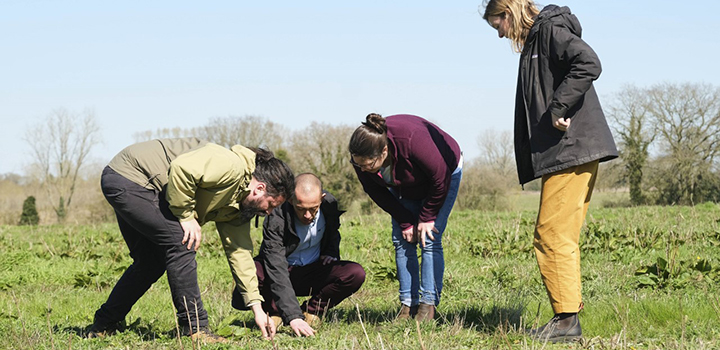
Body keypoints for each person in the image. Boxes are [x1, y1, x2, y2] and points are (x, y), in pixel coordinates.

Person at [482, 0, 618, 342]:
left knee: (551, 234)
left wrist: (560, 107)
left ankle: (566, 322)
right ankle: (566, 317)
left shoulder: (550, 31)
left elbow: (588, 62)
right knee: (559, 234)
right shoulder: (535, 42)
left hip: (570, 149)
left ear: (507, 13)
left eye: (497, 25)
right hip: (567, 151)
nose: (499, 35)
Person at [87, 138, 295, 343]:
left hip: (139, 186)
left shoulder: (238, 206)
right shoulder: (230, 165)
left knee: (150, 263)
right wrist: (185, 215)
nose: (268, 213)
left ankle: (104, 324)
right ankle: (195, 329)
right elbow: (181, 168)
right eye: (271, 205)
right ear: (259, 189)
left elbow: (240, 253)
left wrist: (257, 308)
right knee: (181, 241)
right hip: (132, 177)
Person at [348, 113, 463, 321]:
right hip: (404, 183)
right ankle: (408, 305)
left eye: (368, 165)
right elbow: (376, 191)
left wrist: (427, 216)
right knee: (402, 239)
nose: (364, 169)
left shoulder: (413, 139)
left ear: (384, 151)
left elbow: (440, 177)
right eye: (359, 165)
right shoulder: (362, 157)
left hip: (444, 174)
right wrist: (405, 220)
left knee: (429, 237)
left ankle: (428, 306)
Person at [232, 173, 366, 337]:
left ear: (322, 199)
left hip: (313, 271)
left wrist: (330, 252)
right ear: (290, 200)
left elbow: (333, 231)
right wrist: (293, 316)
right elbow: (275, 265)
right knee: (252, 271)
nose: (308, 215)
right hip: (280, 273)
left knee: (354, 273)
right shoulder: (276, 215)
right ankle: (276, 313)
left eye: (313, 209)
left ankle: (311, 311)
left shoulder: (329, 204)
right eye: (301, 209)